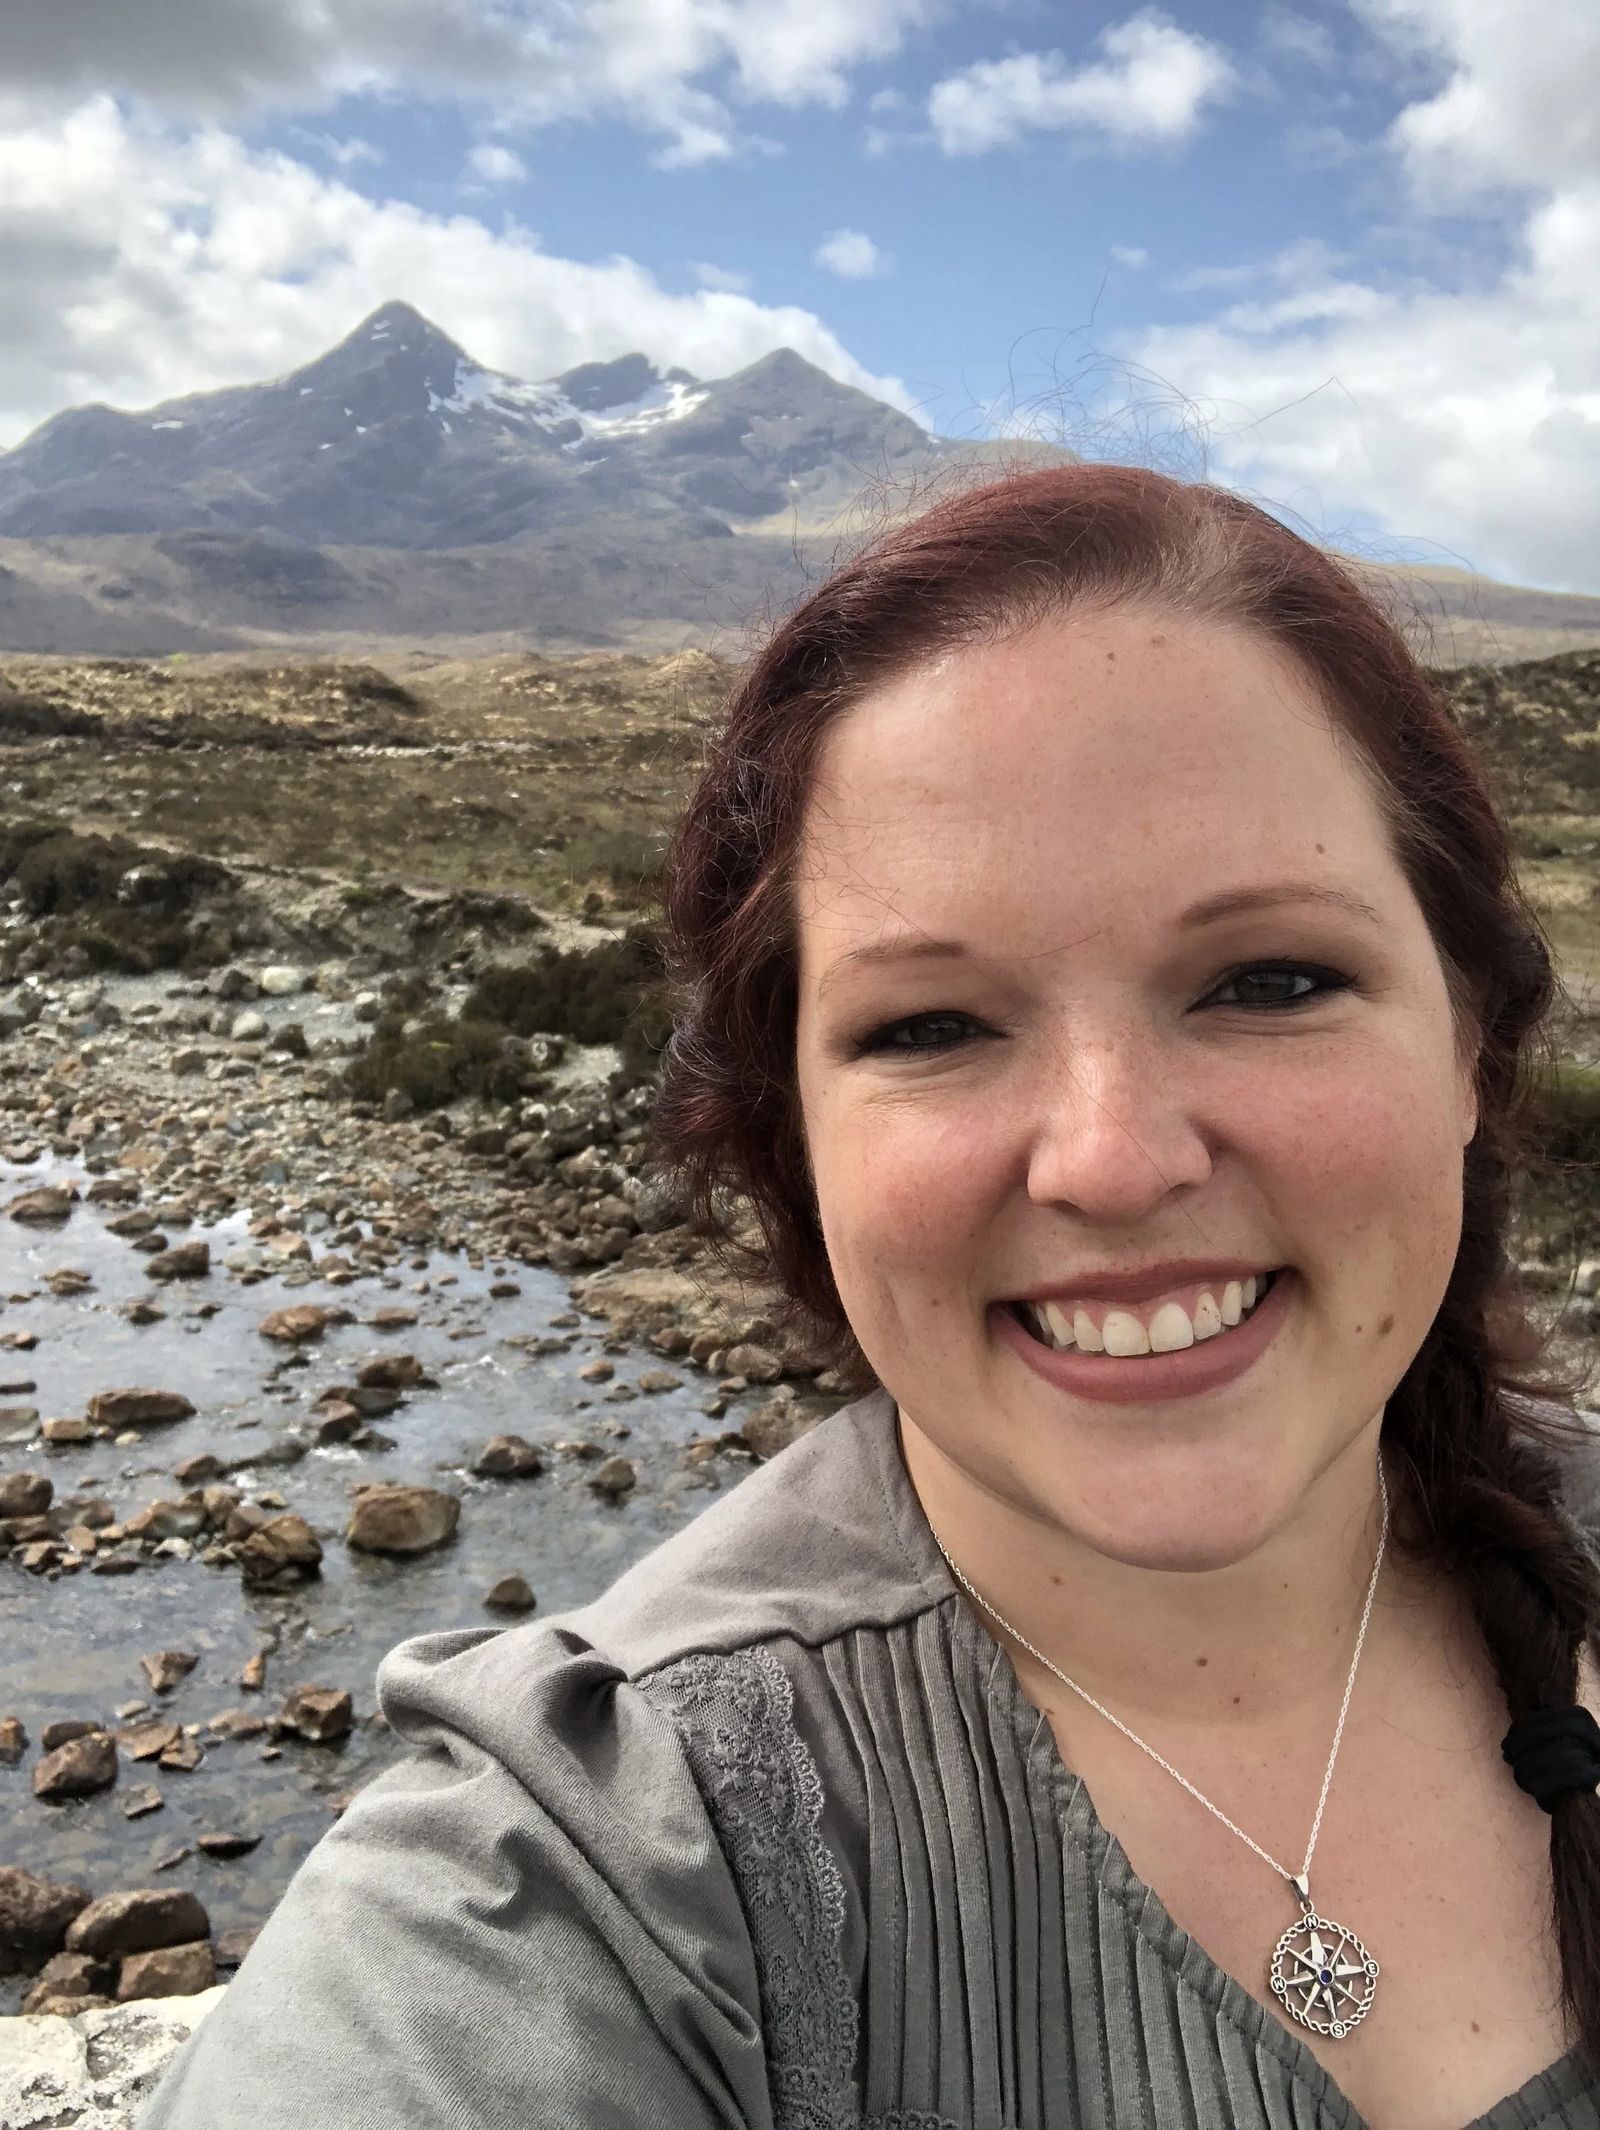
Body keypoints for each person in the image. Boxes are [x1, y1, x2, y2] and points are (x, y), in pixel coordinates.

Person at [141, 465, 1600, 2130]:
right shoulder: (602, 1863)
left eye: (1270, 980)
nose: (1112, 1162)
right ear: (794, 1131)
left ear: (1470, 1041)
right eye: (929, 1026)